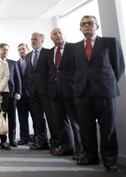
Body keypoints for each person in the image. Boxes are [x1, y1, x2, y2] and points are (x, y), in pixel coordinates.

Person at [72, 15, 125, 171]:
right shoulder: (75, 47)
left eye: (90, 23)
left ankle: (109, 159)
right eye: (84, 24)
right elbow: (75, 70)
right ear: (80, 28)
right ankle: (90, 156)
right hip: (82, 92)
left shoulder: (110, 42)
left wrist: (106, 82)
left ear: (97, 26)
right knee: (86, 126)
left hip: (105, 90)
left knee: (108, 126)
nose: (87, 26)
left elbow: (119, 66)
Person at [47, 28, 81, 158]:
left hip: (71, 90)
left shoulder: (74, 48)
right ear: (51, 38)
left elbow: (80, 68)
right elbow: (51, 71)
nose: (58, 35)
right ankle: (67, 147)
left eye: (60, 33)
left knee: (75, 121)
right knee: (61, 122)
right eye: (54, 34)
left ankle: (80, 150)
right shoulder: (50, 53)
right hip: (55, 92)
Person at [25, 32, 50, 150]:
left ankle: (55, 141)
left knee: (51, 118)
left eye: (35, 39)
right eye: (31, 39)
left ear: (42, 40)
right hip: (33, 92)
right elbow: (28, 75)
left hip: (46, 92)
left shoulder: (48, 53)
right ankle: (41, 141)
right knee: (37, 118)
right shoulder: (28, 56)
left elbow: (51, 73)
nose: (33, 41)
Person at [0, 43, 21, 147]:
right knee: (1, 118)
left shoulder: (13, 63)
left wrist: (18, 92)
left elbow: (17, 78)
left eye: (7, 49)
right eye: (4, 49)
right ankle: (3, 140)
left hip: (12, 95)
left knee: (12, 118)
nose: (6, 51)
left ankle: (12, 140)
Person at [16, 43, 33, 145]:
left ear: (28, 50)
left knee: (37, 118)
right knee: (22, 118)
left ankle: (39, 138)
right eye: (20, 49)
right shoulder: (16, 63)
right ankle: (24, 138)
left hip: (32, 94)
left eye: (23, 49)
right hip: (20, 96)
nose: (22, 51)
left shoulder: (32, 61)